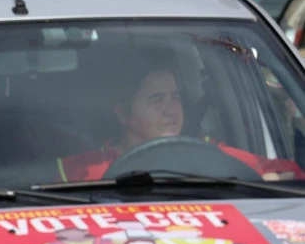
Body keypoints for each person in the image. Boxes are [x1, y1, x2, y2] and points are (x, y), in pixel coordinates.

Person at [57, 58, 305, 181]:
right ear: (123, 113)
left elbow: (289, 175)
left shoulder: (208, 153)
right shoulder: (80, 171)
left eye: (175, 97)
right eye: (157, 99)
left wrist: (264, 180)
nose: (170, 109)